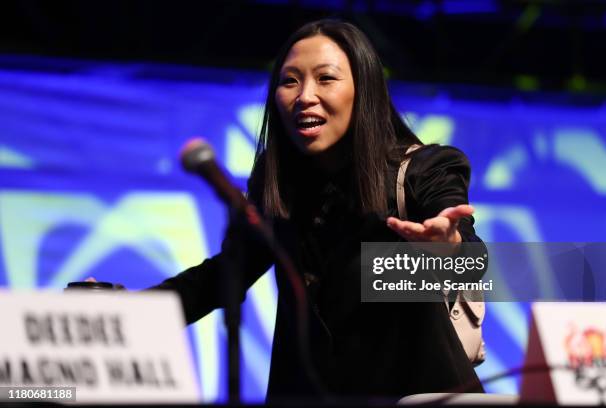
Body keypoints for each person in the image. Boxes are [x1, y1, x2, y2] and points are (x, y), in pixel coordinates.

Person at [152, 19, 484, 401]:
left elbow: (470, 254)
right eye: (290, 81)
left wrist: (448, 247)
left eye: (326, 79)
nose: (305, 95)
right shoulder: (277, 185)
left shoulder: (426, 168)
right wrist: (127, 315)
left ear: (365, 90)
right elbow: (221, 278)